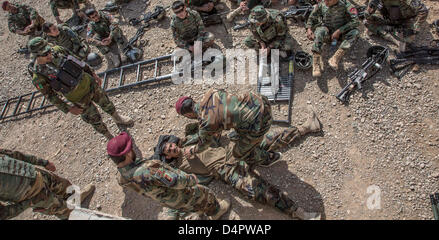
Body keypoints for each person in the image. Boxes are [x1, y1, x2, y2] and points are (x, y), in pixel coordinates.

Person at [152, 130, 322, 220]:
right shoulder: (180, 169)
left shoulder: (191, 139)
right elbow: (172, 183)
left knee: (269, 139)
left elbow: (211, 131)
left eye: (171, 145)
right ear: (168, 156)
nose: (172, 148)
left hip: (234, 151)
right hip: (226, 171)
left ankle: (305, 128)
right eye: (169, 150)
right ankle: (298, 212)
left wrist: (196, 146)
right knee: (258, 191)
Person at [28, 37, 133, 140]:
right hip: (78, 98)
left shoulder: (58, 50)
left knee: (105, 102)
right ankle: (109, 136)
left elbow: (78, 61)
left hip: (89, 83)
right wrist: (68, 108)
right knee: (94, 119)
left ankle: (117, 118)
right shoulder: (38, 76)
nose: (49, 55)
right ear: (36, 55)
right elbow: (50, 96)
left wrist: (92, 73)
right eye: (45, 54)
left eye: (49, 51)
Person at [107, 132, 230, 220]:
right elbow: (176, 181)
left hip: (165, 200)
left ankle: (199, 210)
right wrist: (191, 179)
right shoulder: (147, 170)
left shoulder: (122, 177)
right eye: (131, 148)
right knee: (204, 195)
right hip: (180, 193)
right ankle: (216, 212)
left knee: (189, 206)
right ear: (128, 154)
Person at [174, 89, 282, 167]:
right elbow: (224, 108)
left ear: (188, 115)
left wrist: (192, 150)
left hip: (261, 120)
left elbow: (203, 145)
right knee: (235, 126)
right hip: (258, 100)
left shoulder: (206, 123)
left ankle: (267, 158)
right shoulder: (211, 93)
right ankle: (242, 135)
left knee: (238, 153)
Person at [0, 148, 95, 220]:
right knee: (64, 211)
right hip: (34, 196)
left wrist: (43, 163)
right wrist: (28, 203)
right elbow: (3, 213)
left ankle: (76, 199)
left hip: (38, 174)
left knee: (66, 187)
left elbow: (16, 155)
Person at [306, 0, 360, 77]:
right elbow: (312, 17)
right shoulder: (322, 4)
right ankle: (316, 63)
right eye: (324, 0)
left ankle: (335, 58)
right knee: (319, 31)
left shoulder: (345, 4)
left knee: (355, 32)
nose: (326, 2)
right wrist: (309, 29)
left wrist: (339, 31)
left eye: (328, 0)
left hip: (341, 34)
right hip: (327, 33)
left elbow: (356, 21)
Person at [363, 0, 428, 49]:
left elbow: (423, 10)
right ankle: (394, 38)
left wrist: (414, 29)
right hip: (390, 17)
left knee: (408, 40)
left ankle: (389, 31)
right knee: (367, 23)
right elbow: (367, 17)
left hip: (407, 19)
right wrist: (370, 9)